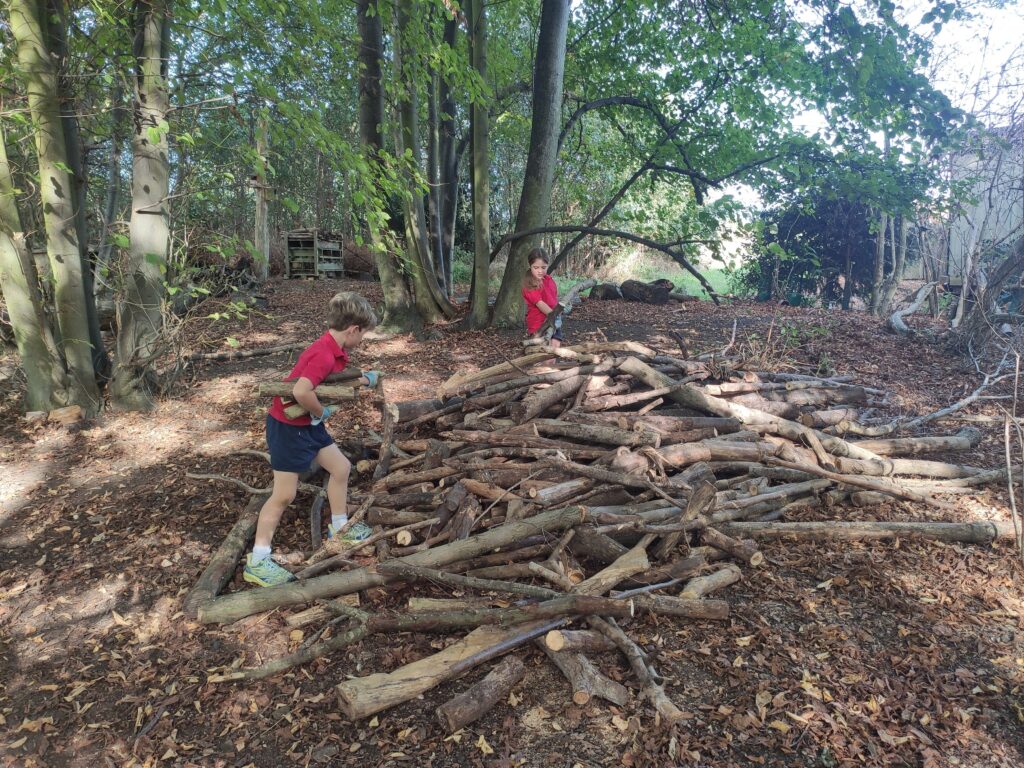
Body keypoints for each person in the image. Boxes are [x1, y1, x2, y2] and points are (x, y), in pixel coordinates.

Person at [243, 291, 381, 587]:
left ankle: (340, 529)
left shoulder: (332, 348)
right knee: (284, 495)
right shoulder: (323, 353)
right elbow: (301, 392)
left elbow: (330, 379)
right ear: (353, 329)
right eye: (364, 334)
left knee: (341, 468)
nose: (363, 341)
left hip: (306, 424)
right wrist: (322, 412)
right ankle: (258, 561)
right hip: (289, 427)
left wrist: (364, 378)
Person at [521, 248, 563, 348]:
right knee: (542, 355)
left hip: (555, 320)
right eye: (536, 268)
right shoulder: (529, 284)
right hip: (539, 324)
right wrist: (554, 314)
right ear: (530, 266)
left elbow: (554, 298)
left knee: (554, 350)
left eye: (543, 267)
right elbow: (540, 304)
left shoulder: (549, 280)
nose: (540, 271)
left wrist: (559, 311)